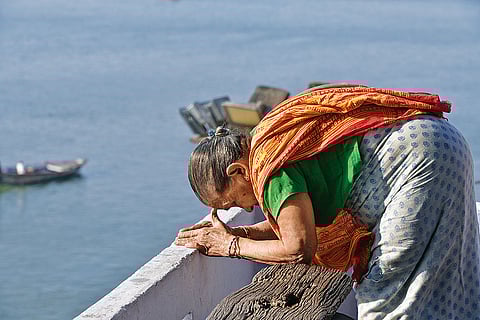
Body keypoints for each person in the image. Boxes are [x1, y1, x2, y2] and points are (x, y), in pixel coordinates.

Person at [175, 85, 480, 319]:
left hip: (417, 158)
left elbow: (297, 249)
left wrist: (228, 247)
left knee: (386, 287)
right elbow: (294, 223)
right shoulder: (266, 144)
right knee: (446, 268)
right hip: (440, 141)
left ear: (238, 171)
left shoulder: (267, 169)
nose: (244, 209)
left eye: (231, 202)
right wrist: (243, 233)